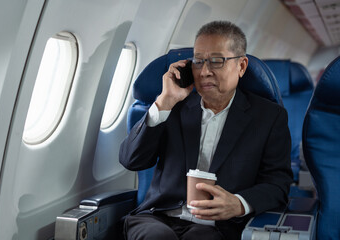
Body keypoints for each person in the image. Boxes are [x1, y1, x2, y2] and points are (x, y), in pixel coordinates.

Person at [119, 20, 293, 240]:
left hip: (216, 226)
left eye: (216, 61)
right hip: (158, 217)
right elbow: (131, 161)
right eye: (198, 61)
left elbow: (278, 185)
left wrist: (239, 204)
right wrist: (164, 103)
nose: (204, 72)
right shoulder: (173, 106)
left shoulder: (268, 117)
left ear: (241, 66)